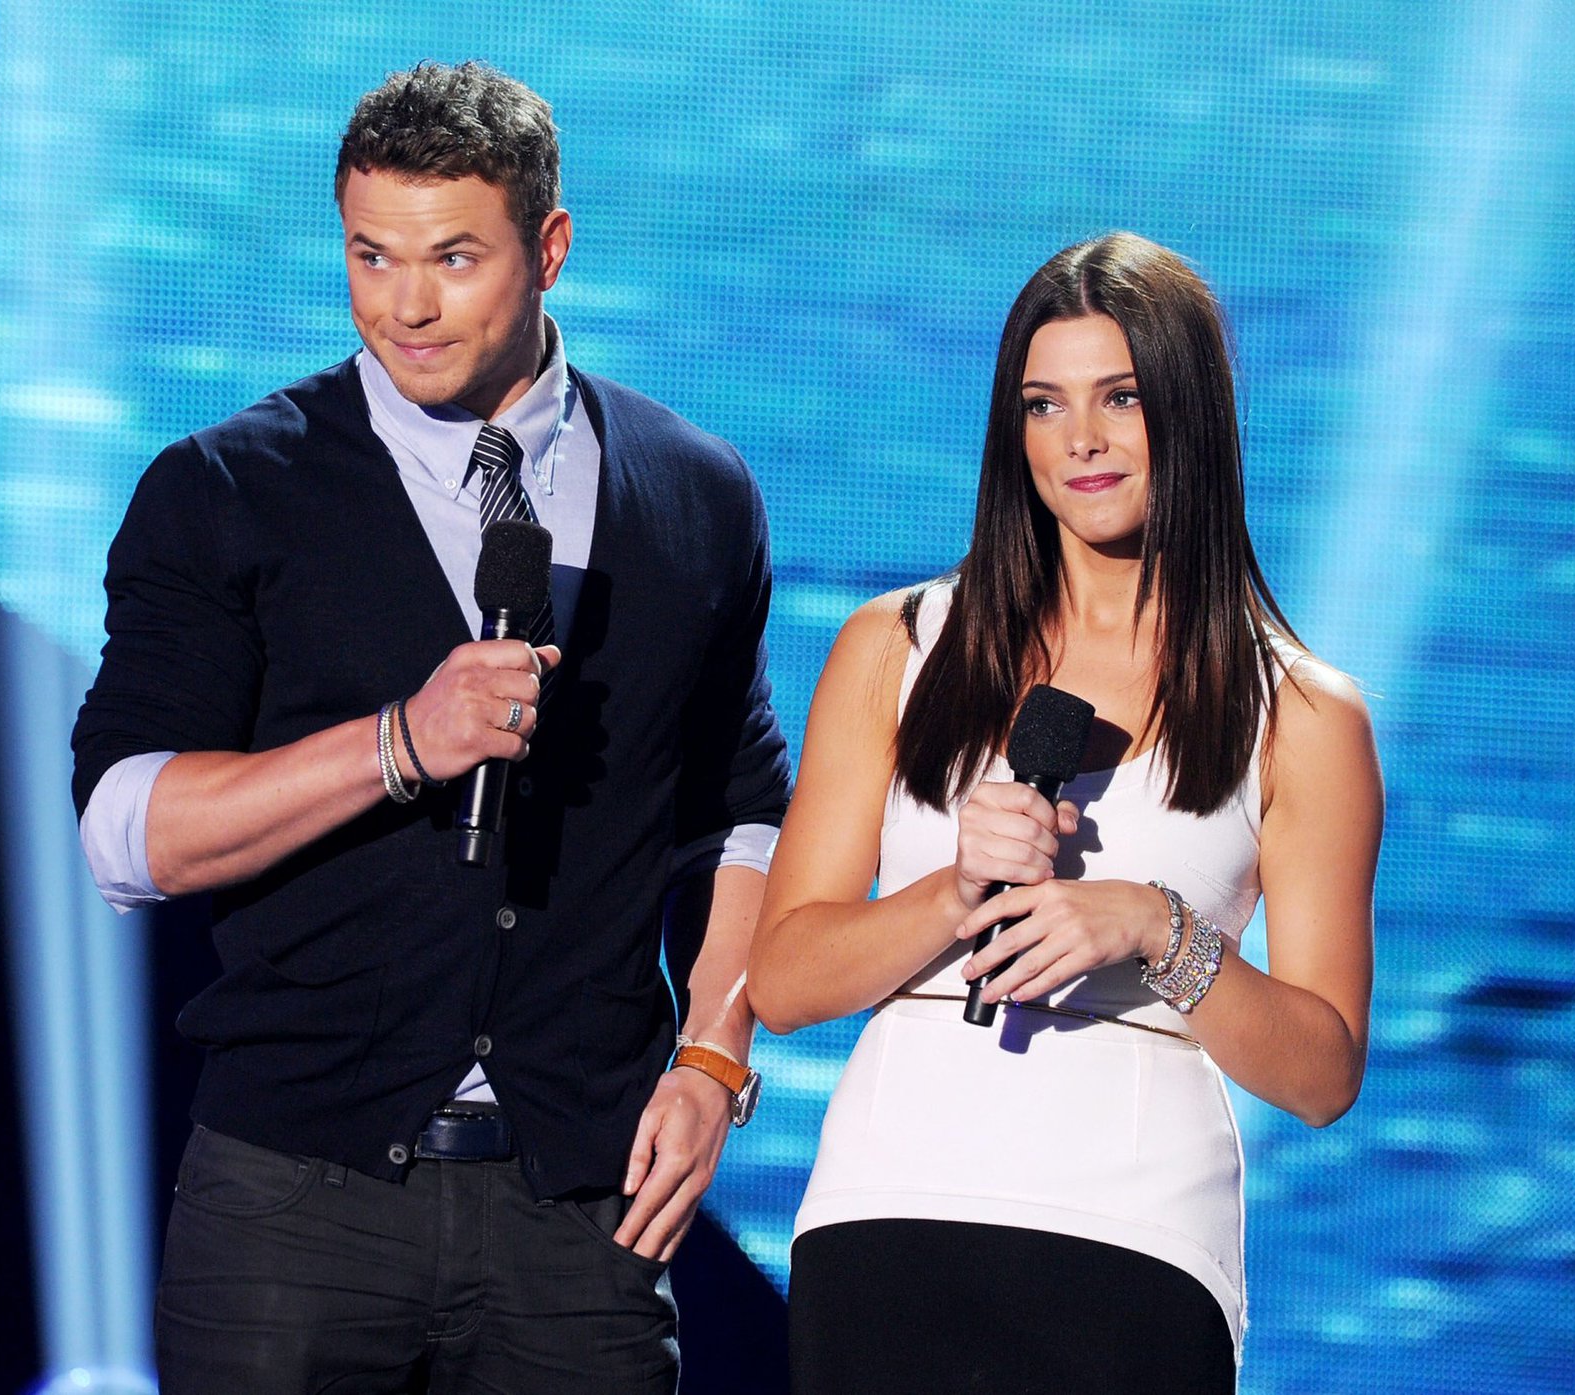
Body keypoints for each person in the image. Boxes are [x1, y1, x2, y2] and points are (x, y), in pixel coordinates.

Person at [71, 61, 789, 1395]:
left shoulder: (695, 491)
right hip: (295, 1202)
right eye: (370, 254)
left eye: (453, 257)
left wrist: (712, 1052)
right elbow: (126, 831)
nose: (404, 303)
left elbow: (740, 809)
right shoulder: (227, 487)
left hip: (579, 1213)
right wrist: (398, 739)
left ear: (550, 248)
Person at [747, 233, 1381, 1393]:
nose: (1078, 440)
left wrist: (1153, 925)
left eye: (1119, 399)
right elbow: (782, 983)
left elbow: (1322, 1072)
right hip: (885, 1218)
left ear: (1188, 415)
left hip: (1132, 1245)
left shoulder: (1301, 712)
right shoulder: (897, 648)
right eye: (1043, 405)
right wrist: (949, 895)